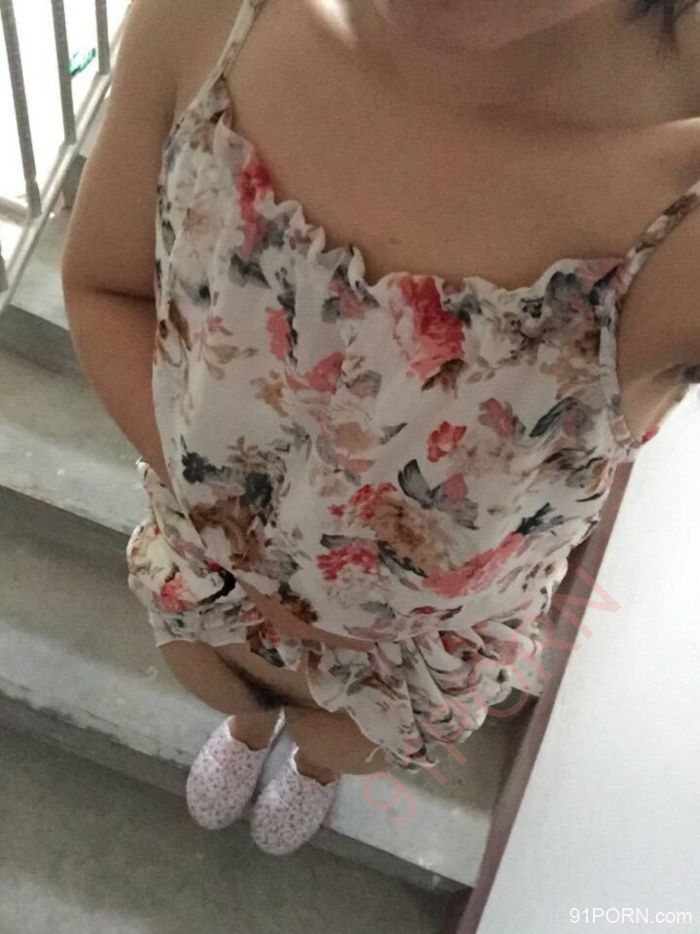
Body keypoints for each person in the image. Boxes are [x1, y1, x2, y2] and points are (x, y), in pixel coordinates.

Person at [61, 0, 700, 856]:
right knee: (232, 692)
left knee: (337, 746)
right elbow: (104, 288)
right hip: (207, 590)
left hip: (408, 672)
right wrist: (237, 531)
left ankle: (312, 769)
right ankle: (248, 731)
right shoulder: (206, 19)